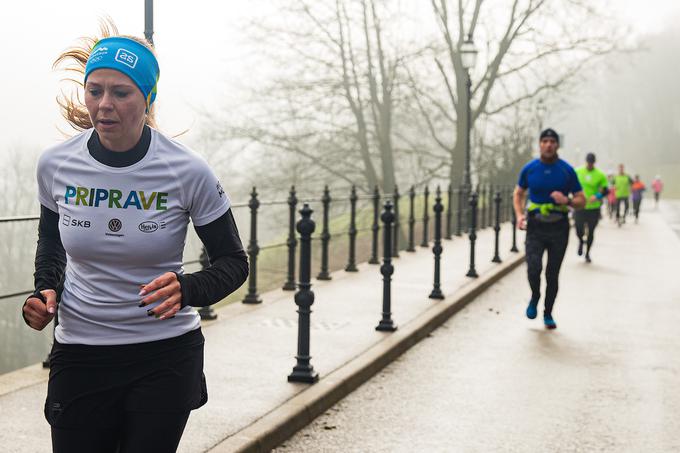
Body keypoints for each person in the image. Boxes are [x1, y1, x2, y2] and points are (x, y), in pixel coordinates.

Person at [21, 24, 248, 453]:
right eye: (95, 90)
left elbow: (235, 263)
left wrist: (186, 289)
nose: (104, 105)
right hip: (81, 351)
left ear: (147, 98)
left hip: (164, 355)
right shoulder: (55, 165)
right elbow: (51, 245)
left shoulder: (187, 170)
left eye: (121, 92)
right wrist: (44, 290)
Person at [513, 128, 585, 329]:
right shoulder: (530, 169)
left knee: (552, 274)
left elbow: (582, 200)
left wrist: (567, 200)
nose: (548, 144)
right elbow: (518, 193)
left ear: (557, 145)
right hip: (535, 226)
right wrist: (519, 215)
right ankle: (535, 295)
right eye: (544, 141)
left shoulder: (566, 170)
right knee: (533, 268)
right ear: (540, 144)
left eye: (552, 141)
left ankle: (548, 313)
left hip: (559, 227)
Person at [574, 153, 608, 262]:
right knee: (579, 229)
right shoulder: (578, 171)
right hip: (580, 206)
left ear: (594, 163)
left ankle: (587, 253)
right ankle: (580, 241)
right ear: (586, 161)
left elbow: (605, 190)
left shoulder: (600, 174)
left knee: (591, 231)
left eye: (591, 163)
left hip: (593, 208)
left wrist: (597, 196)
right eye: (588, 162)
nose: (589, 165)